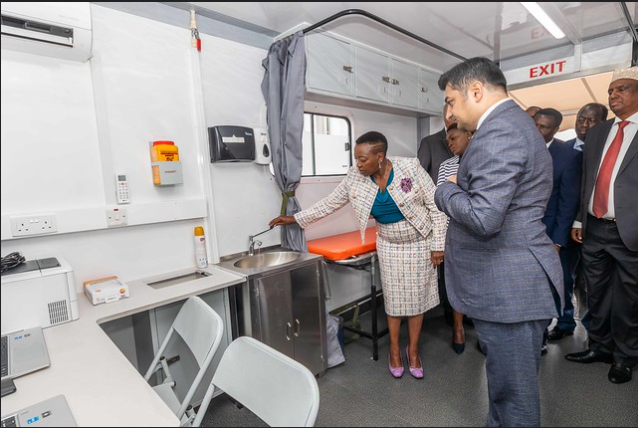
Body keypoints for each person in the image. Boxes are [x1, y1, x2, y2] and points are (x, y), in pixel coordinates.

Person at [434, 57, 562, 427]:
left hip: (510, 288)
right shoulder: (511, 124)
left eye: (452, 101)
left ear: (476, 91)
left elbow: (484, 217)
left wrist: (445, 191)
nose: (452, 114)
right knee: (504, 393)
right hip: (507, 284)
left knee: (514, 399)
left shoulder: (500, 132)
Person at [270, 131, 446, 380]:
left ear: (380, 157)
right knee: (394, 301)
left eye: (363, 159)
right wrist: (295, 219)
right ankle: (394, 350)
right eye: (356, 159)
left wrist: (438, 245)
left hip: (419, 241)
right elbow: (330, 202)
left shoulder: (410, 167)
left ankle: (413, 350)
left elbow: (435, 204)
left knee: (418, 299)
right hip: (389, 244)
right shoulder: (356, 177)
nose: (358, 164)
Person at [565, 67, 638, 385]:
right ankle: (600, 347)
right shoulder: (598, 132)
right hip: (594, 227)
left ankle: (625, 357)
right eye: (610, 91)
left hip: (630, 231)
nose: (613, 95)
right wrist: (580, 218)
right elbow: (588, 180)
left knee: (627, 299)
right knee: (596, 294)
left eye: (621, 89)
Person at [534, 108, 582, 345]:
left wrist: (557, 240)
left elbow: (567, 202)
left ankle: (543, 332)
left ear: (555, 129)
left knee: (554, 284)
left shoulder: (567, 155)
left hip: (550, 232)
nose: (537, 130)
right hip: (521, 234)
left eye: (544, 127)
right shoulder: (519, 149)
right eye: (535, 125)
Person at [563, 103, 609, 334]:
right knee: (563, 279)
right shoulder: (563, 149)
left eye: (592, 120)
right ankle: (564, 323)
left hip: (596, 228)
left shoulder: (608, 152)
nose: (584, 124)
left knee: (594, 282)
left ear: (603, 123)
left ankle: (594, 330)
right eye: (581, 118)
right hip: (564, 227)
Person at [417, 105, 457, 328]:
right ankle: (451, 313)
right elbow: (419, 178)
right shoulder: (430, 142)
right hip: (439, 214)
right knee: (445, 269)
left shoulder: (474, 137)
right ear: (443, 114)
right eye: (448, 112)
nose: (452, 115)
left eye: (455, 111)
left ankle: (464, 311)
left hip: (464, 216)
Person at [436, 123, 472, 354]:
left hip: (480, 231)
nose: (450, 142)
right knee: (456, 283)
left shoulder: (484, 161)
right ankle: (457, 327)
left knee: (480, 282)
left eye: (454, 137)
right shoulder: (446, 165)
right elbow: (440, 199)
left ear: (469, 135)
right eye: (447, 139)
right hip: (454, 230)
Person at [417, 104, 456, 184]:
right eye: (455, 117)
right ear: (447, 118)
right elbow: (419, 177)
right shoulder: (429, 143)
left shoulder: (470, 141)